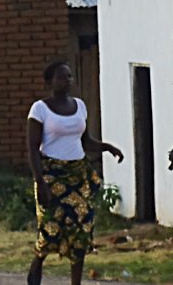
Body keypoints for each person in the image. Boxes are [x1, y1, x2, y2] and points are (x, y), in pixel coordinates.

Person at [25, 61, 123, 285]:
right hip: (51, 175)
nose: (67, 80)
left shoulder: (79, 105)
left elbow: (85, 140)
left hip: (78, 176)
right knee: (50, 229)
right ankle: (38, 261)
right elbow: (32, 149)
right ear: (50, 81)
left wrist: (107, 147)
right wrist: (40, 182)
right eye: (61, 77)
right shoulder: (39, 109)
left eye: (69, 76)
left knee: (82, 229)